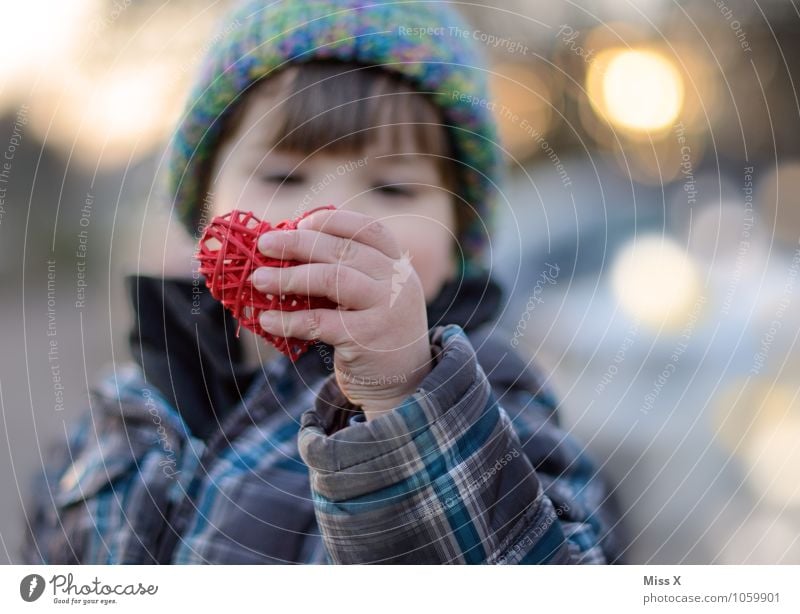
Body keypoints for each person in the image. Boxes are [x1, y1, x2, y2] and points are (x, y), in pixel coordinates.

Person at [22, 0, 624, 564]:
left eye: (392, 189)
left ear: (455, 239)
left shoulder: (490, 398)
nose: (330, 215)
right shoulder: (132, 400)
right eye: (284, 176)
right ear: (206, 202)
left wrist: (402, 395)